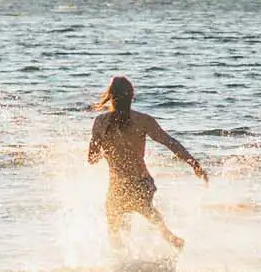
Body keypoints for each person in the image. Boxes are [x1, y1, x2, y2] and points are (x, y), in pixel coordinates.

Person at [86, 75, 205, 251]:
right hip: (141, 182)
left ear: (110, 95)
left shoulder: (100, 122)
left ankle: (129, 268)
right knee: (144, 214)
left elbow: (91, 159)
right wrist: (194, 164)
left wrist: (107, 150)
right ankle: (170, 241)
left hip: (118, 185)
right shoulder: (142, 120)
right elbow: (169, 142)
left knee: (115, 232)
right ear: (132, 96)